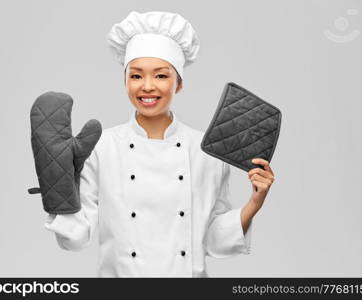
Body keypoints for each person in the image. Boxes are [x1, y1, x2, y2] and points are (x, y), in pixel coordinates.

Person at [44, 11, 275, 277]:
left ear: (179, 84)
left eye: (161, 76)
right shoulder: (101, 147)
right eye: (136, 76)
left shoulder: (206, 151)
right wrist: (58, 190)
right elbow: (75, 238)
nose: (148, 86)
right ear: (125, 81)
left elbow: (213, 241)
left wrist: (254, 203)